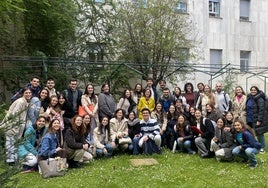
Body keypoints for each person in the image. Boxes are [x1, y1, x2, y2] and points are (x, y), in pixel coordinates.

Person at [0, 88, 32, 164]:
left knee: (13, 143)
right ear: (22, 94)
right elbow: (15, 114)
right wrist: (16, 126)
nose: (28, 94)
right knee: (10, 143)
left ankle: (13, 160)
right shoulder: (20, 102)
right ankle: (10, 161)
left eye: (29, 93)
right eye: (26, 93)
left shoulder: (25, 102)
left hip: (17, 126)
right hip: (13, 126)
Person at [246, 86, 268, 153]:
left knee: (259, 133)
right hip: (250, 118)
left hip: (257, 119)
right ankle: (256, 146)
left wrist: (259, 120)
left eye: (255, 90)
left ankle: (262, 148)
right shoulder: (249, 98)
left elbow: (261, 110)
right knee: (253, 133)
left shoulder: (259, 98)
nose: (253, 91)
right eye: (252, 90)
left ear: (257, 90)